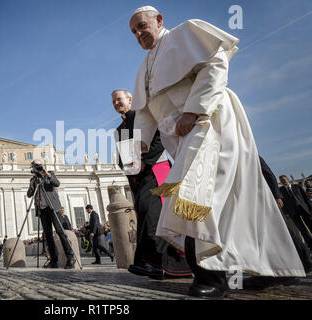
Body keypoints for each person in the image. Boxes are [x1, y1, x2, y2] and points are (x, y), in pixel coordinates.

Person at [128, 6, 304, 298]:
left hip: (209, 123)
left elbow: (216, 62)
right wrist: (141, 142)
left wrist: (194, 109)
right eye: (134, 32)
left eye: (142, 27)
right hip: (181, 137)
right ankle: (273, 268)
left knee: (197, 196)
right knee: (240, 199)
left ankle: (211, 277)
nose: (139, 34)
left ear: (159, 20)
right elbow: (145, 109)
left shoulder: (186, 34)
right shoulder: (144, 67)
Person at [112, 89, 191, 280]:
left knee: (154, 213)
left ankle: (157, 262)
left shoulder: (143, 116)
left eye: (119, 99)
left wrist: (145, 161)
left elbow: (158, 137)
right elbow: (124, 157)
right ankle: (155, 263)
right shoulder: (119, 130)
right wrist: (129, 169)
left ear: (130, 99)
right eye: (113, 101)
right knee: (146, 213)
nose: (116, 103)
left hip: (156, 168)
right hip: (138, 176)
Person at [242, 157, 312, 290]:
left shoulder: (248, 150)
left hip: (262, 198)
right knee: (277, 233)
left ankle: (303, 258)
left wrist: (276, 195)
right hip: (251, 200)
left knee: (280, 232)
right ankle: (293, 268)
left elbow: (268, 174)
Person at [27, 159, 75, 269]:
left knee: (60, 231)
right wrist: (31, 186)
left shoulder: (50, 174)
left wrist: (46, 173)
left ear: (42, 165)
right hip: (42, 209)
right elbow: (29, 194)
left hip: (53, 207)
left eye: (39, 165)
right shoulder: (33, 179)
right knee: (48, 235)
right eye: (35, 166)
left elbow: (57, 183)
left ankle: (70, 256)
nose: (37, 167)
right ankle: (54, 260)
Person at [279, 175, 312, 249]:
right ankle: (310, 245)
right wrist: (286, 213)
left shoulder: (297, 187)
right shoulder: (281, 190)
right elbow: (282, 204)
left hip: (303, 209)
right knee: (302, 229)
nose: (283, 181)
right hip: (293, 212)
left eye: (284, 179)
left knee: (310, 224)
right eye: (281, 180)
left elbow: (305, 198)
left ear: (288, 179)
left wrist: (310, 208)